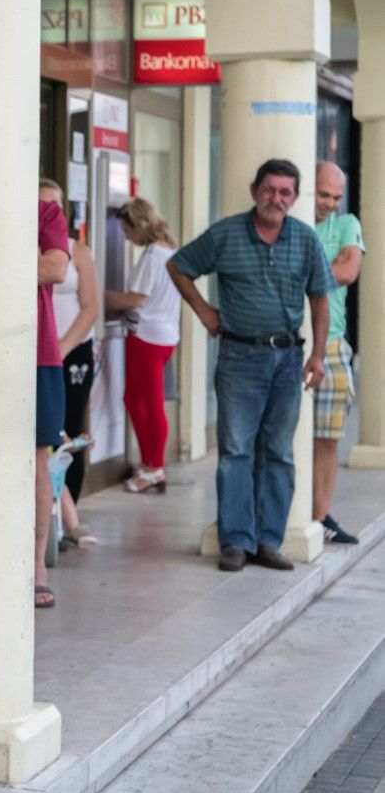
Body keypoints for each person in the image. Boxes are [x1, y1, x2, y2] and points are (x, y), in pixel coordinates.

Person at [168, 159, 333, 573]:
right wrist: (206, 312)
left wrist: (317, 355)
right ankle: (236, 542)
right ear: (254, 189)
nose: (275, 198)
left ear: (294, 198)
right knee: (236, 451)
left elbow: (320, 298)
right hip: (239, 357)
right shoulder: (225, 234)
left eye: (285, 192)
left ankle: (267, 541)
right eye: (269, 189)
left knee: (277, 452)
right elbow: (179, 265)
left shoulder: (306, 240)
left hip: (288, 360)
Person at [107, 198, 183, 493]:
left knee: (147, 404)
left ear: (137, 226)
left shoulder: (152, 256)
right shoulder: (170, 250)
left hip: (146, 336)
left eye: (127, 232)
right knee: (139, 400)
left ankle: (153, 467)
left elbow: (136, 299)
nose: (126, 238)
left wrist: (103, 298)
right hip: (165, 335)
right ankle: (151, 464)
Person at [40, 180, 98, 548]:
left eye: (56, 205)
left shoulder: (78, 252)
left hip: (71, 349)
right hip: (39, 351)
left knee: (70, 430)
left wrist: (61, 348)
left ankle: (70, 508)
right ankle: (58, 517)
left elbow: (91, 307)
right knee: (47, 434)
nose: (51, 211)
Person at [312, 160, 365, 544]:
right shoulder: (295, 222)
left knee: (328, 436)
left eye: (335, 196)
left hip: (331, 345)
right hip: (288, 345)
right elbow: (338, 268)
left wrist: (305, 274)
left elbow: (349, 270)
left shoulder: (346, 225)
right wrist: (328, 269)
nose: (329, 203)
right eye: (322, 194)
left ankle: (321, 516)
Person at [35, 196, 71, 607]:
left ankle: (36, 565)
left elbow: (55, 267)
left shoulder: (47, 211)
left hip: (39, 352)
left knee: (37, 459)